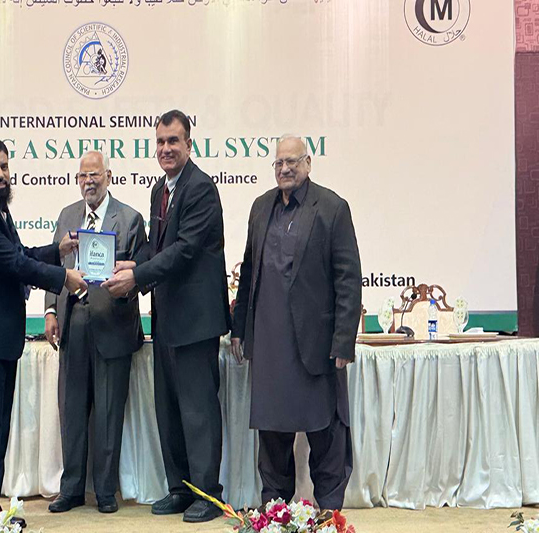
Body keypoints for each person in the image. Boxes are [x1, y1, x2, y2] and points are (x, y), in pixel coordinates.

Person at [103, 110, 231, 523]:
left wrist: (137, 276)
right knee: (170, 410)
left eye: (173, 141)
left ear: (189, 144)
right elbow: (156, 247)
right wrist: (131, 263)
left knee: (198, 412)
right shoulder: (160, 188)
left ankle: (208, 495)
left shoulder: (201, 188)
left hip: (196, 323)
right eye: (160, 142)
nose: (165, 148)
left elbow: (185, 250)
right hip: (167, 320)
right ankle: (180, 489)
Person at [230, 136, 362, 510]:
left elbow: (348, 278)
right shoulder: (260, 207)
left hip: (317, 345)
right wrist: (239, 328)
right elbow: (249, 271)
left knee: (325, 431)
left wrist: (344, 341)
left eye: (292, 161)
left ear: (308, 163)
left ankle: (330, 508)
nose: (285, 169)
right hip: (269, 344)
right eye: (278, 163)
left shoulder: (332, 208)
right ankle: (274, 508)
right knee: (272, 434)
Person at [0, 139, 87, 511]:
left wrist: (56, 251)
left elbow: (19, 254)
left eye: (4, 167)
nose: (0, 175)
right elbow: (15, 264)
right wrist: (63, 278)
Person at [45, 150, 148, 514]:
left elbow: (142, 273)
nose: (89, 181)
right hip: (73, 321)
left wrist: (126, 281)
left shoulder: (130, 218)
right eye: (83, 176)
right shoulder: (67, 215)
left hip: (113, 324)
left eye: (95, 175)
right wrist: (50, 310)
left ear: (109, 176)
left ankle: (105, 491)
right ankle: (71, 489)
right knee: (71, 410)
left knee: (108, 412)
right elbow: (55, 268)